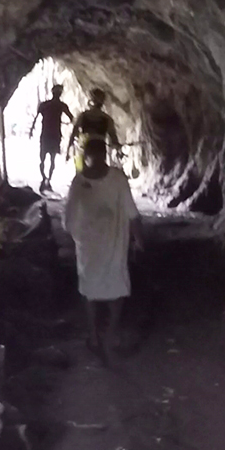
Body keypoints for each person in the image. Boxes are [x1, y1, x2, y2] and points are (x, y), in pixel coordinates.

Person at [62, 139, 141, 359]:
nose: (94, 162)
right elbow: (132, 212)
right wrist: (138, 238)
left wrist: (73, 236)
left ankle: (97, 335)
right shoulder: (108, 179)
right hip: (105, 244)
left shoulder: (84, 181)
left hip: (96, 245)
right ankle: (105, 334)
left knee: (94, 289)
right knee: (110, 288)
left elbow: (69, 217)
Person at [66, 89, 121, 173]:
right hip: (100, 146)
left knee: (81, 170)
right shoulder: (107, 118)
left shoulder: (84, 115)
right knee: (100, 171)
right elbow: (113, 138)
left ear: (91, 101)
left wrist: (68, 150)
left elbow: (74, 133)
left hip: (86, 145)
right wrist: (117, 146)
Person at [35, 85, 74, 192]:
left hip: (45, 135)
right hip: (55, 135)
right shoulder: (61, 105)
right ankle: (48, 181)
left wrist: (31, 130)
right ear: (60, 94)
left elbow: (36, 117)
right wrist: (67, 123)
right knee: (52, 160)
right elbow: (72, 118)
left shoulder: (45, 105)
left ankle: (44, 179)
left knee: (42, 159)